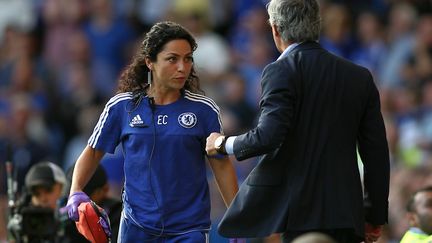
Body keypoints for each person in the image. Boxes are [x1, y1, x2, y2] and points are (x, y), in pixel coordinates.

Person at [205, 0, 390, 242]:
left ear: (275, 29)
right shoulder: (359, 76)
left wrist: (222, 144)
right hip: (346, 214)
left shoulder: (280, 70)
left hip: (297, 213)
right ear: (316, 25)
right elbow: (375, 153)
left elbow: (268, 136)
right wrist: (374, 215)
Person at [63, 21, 240, 242]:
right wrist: (75, 191)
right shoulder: (121, 107)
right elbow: (92, 152)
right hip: (135, 227)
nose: (182, 67)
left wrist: (237, 219)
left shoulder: (204, 110)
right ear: (150, 62)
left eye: (188, 59)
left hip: (188, 230)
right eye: (172, 59)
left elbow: (221, 165)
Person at [8, 161, 67, 242]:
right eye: (36, 194)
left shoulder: (73, 221)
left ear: (62, 188)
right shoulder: (24, 228)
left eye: (48, 190)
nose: (43, 199)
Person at [63, 164, 122, 242]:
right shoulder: (64, 213)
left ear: (104, 190)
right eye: (72, 199)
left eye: (83, 198)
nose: (76, 204)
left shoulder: (117, 214)